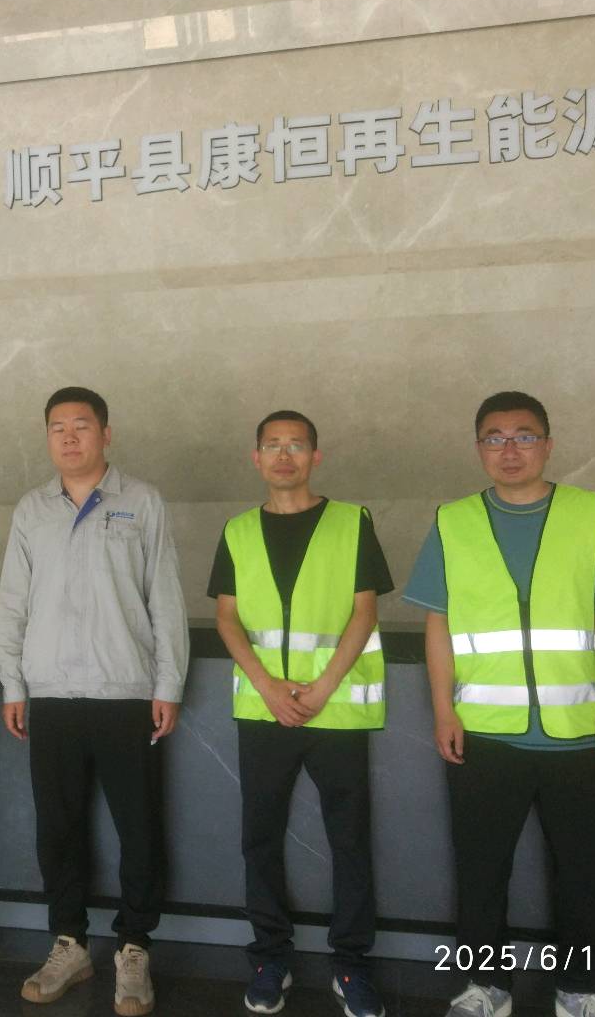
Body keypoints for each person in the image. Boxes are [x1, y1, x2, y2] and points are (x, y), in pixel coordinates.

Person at [402, 391, 595, 1017]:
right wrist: (443, 710)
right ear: (478, 448)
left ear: (548, 444)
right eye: (495, 437)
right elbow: (438, 623)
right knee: (481, 870)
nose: (509, 449)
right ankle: (483, 987)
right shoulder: (452, 521)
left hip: (578, 730)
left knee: (582, 870)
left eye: (524, 435)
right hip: (484, 733)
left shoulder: (591, 513)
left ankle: (582, 990)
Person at [0, 386, 189, 1017]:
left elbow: (164, 597)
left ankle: (134, 948)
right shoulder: (32, 510)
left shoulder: (142, 502)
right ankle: (70, 944)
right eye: (58, 427)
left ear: (106, 434)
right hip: (51, 695)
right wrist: (13, 684)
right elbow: (13, 603)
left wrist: (168, 684)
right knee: (58, 828)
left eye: (82, 425)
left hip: (125, 693)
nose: (70, 437)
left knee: (139, 827)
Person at [209, 410, 392, 1017]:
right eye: (272, 445)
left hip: (335, 711)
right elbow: (227, 618)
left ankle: (352, 964)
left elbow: (365, 611)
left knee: (350, 841)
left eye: (296, 445)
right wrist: (267, 687)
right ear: (256, 457)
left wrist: (322, 687)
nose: (283, 455)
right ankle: (269, 958)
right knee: (259, 837)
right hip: (264, 711)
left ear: (316, 456)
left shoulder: (352, 522)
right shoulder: (237, 530)